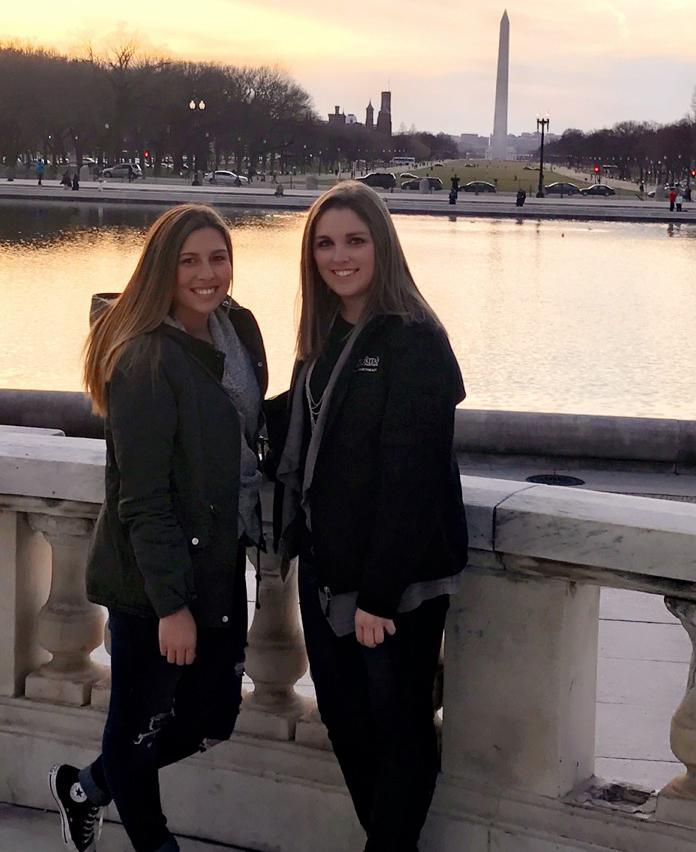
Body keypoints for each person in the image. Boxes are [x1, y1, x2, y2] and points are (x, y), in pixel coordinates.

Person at [48, 203, 268, 852]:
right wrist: (171, 605)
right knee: (137, 728)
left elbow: (246, 435)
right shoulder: (144, 358)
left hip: (221, 564)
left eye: (218, 258)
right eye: (189, 261)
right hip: (150, 580)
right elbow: (141, 499)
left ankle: (84, 787)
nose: (207, 274)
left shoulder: (240, 329)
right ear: (161, 271)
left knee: (212, 720)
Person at [270, 181, 468, 852]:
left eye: (355, 241)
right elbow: (299, 425)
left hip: (394, 588)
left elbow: (413, 480)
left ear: (383, 246)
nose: (339, 257)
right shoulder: (323, 338)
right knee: (350, 727)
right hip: (327, 570)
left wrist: (380, 595)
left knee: (399, 730)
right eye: (325, 244)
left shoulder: (416, 340)